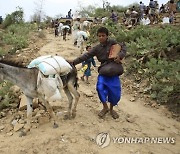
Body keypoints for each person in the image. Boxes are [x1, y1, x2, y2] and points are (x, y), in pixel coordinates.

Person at [71, 27, 126, 119]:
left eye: (103, 36)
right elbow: (86, 56)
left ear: (107, 36)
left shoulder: (112, 43)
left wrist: (120, 55)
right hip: (104, 71)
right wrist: (73, 62)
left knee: (114, 92)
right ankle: (105, 107)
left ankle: (112, 109)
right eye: (99, 36)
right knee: (99, 88)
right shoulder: (96, 48)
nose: (101, 37)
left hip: (114, 70)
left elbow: (123, 46)